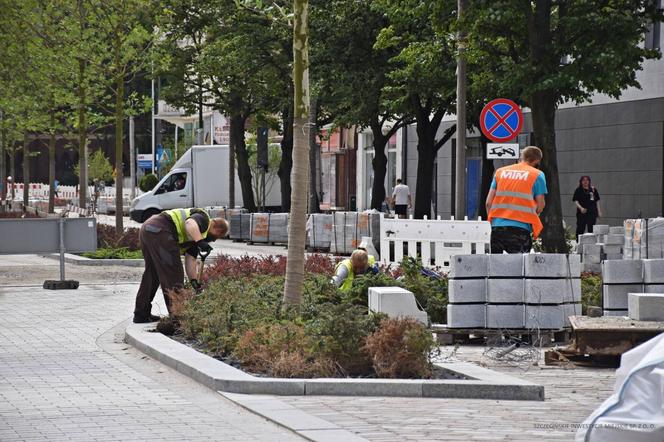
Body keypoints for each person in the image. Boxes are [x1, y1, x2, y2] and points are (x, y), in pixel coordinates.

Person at [133, 207, 228, 323]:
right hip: (160, 230)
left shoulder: (195, 237)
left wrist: (194, 281)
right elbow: (189, 222)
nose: (213, 240)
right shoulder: (204, 220)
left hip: (148, 229)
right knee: (174, 275)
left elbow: (191, 260)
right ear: (218, 230)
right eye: (216, 237)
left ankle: (141, 314)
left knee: (152, 274)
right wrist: (200, 241)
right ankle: (178, 318)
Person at [486, 146, 547, 254]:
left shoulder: (500, 172)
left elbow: (488, 203)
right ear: (537, 161)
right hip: (520, 229)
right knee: (519, 267)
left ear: (521, 157)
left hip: (497, 228)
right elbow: (540, 205)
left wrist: (494, 222)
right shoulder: (537, 175)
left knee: (496, 267)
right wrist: (531, 214)